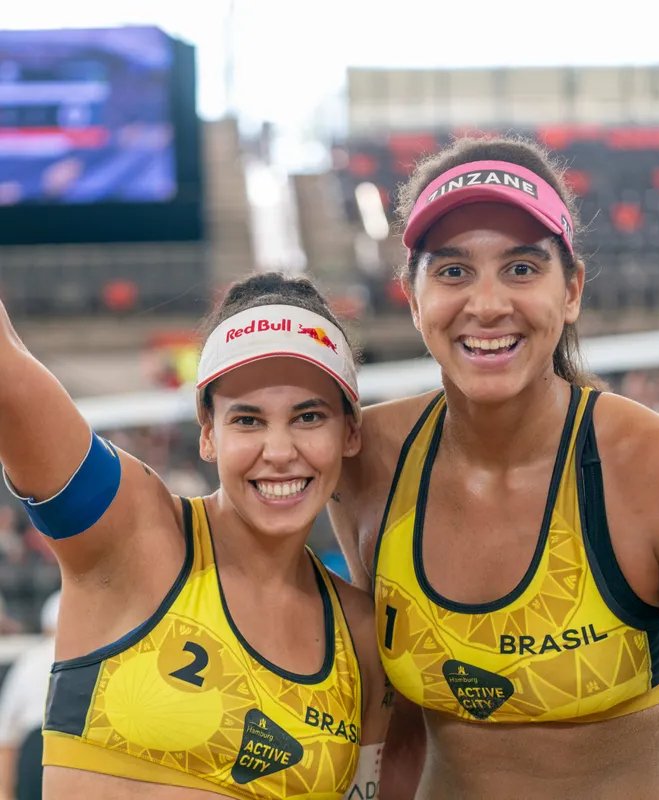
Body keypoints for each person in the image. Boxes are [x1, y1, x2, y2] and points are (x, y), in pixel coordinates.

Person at [329, 136, 659, 800]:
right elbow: (395, 720)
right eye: (454, 271)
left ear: (571, 289)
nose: (487, 304)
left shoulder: (658, 468)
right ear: (412, 296)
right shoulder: (368, 460)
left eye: (521, 269)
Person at [0, 273, 389, 799]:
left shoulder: (360, 631)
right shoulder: (134, 532)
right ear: (208, 433)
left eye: (309, 416)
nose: (279, 451)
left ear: (350, 432)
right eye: (248, 420)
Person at [0, 591, 60, 800]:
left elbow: (7, 736)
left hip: (35, 750)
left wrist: (4, 792)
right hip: (73, 750)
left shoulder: (30, 659)